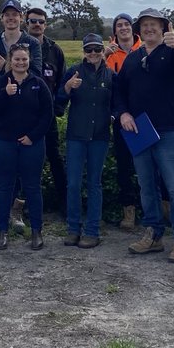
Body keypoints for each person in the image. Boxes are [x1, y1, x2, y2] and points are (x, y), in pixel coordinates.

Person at [113, 9, 174, 264]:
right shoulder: (133, 58)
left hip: (169, 129)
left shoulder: (173, 52)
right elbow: (119, 91)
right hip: (139, 130)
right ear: (139, 30)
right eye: (145, 25)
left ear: (164, 27)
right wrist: (123, 113)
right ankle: (153, 234)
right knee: (147, 186)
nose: (149, 28)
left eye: (154, 24)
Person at [0, 0, 42, 231]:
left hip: (23, 113)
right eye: (7, 15)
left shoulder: (32, 43)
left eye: (15, 14)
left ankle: (15, 211)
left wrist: (7, 66)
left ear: (21, 18)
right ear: (1, 18)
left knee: (20, 163)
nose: (11, 18)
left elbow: (36, 72)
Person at [0, 44, 53, 250]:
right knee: (4, 187)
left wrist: (33, 136)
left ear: (29, 60)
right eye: (17, 59)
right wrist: (5, 94)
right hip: (4, 142)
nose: (21, 63)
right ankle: (3, 231)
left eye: (24, 59)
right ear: (10, 60)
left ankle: (36, 232)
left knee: (32, 187)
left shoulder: (38, 84)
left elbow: (47, 115)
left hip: (32, 144)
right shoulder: (0, 83)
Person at [58, 33, 114, 248]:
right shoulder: (73, 71)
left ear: (102, 50)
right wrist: (67, 87)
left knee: (94, 183)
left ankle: (92, 231)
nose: (93, 53)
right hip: (76, 135)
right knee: (73, 183)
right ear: (83, 51)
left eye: (97, 49)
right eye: (89, 49)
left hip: (100, 136)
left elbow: (118, 103)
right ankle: (73, 229)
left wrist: (114, 116)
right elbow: (58, 101)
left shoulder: (111, 75)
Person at [25, 7, 67, 211]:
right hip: (24, 115)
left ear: (46, 25)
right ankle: (26, 204)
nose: (37, 25)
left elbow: (63, 82)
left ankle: (64, 202)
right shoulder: (19, 47)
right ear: (26, 24)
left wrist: (57, 108)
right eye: (33, 21)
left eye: (41, 21)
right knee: (27, 159)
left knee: (54, 156)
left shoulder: (55, 50)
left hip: (47, 115)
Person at [104, 12, 141, 231]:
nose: (124, 28)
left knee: (150, 165)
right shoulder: (110, 54)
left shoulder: (144, 48)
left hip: (145, 117)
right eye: (119, 25)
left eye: (127, 24)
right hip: (121, 117)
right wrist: (103, 56)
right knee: (124, 166)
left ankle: (158, 207)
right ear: (115, 31)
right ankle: (129, 210)